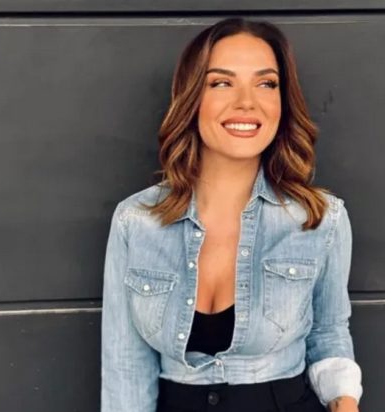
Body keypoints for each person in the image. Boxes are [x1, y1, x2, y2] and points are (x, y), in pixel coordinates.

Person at [101, 17, 362, 412]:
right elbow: (126, 368)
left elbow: (328, 334)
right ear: (192, 98)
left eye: (266, 84)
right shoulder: (136, 221)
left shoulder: (320, 219)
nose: (247, 102)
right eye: (221, 83)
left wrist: (344, 401)